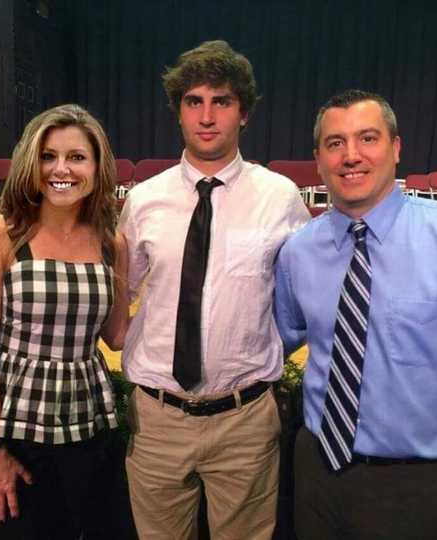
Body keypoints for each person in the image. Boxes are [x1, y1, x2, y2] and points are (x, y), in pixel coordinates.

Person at [274, 88, 437, 539]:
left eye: (367, 138)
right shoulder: (299, 252)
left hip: (419, 482)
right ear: (318, 159)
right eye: (335, 143)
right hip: (316, 472)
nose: (351, 156)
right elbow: (279, 337)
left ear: (396, 148)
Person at [119, 40, 309, 539]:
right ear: (178, 111)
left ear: (243, 113)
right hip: (157, 420)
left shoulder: (280, 198)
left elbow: (301, 297)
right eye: (193, 101)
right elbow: (122, 294)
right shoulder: (143, 201)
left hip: (244, 421)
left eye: (221, 101)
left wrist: (257, 353)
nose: (207, 116)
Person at [0, 103, 128, 540]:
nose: (62, 169)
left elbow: (116, 336)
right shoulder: (1, 231)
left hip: (87, 422)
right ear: (30, 164)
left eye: (77, 157)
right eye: (49, 156)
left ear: (97, 166)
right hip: (12, 428)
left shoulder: (113, 242)